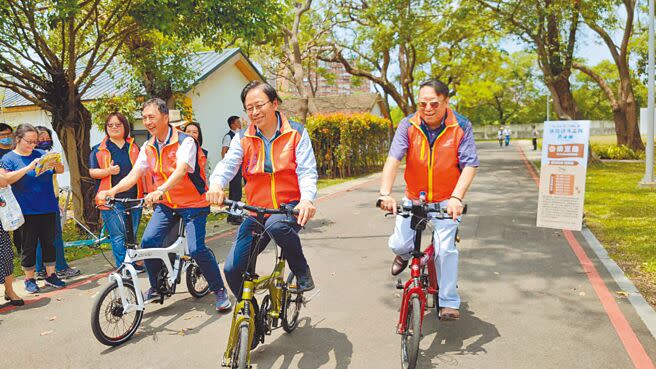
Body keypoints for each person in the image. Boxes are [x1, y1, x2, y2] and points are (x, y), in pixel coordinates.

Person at [97, 98, 231, 311]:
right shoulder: (148, 146)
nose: (148, 122)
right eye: (144, 118)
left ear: (165, 117)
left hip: (193, 204)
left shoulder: (185, 141)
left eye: (152, 117)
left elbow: (180, 170)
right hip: (168, 205)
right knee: (149, 242)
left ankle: (219, 289)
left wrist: (160, 190)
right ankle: (157, 286)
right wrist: (112, 191)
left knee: (196, 249)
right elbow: (135, 174)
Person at [377, 79, 479, 321]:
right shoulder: (408, 124)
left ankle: (448, 302)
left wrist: (456, 197)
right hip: (414, 198)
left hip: (446, 200)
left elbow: (469, 165)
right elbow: (394, 159)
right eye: (423, 104)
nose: (428, 108)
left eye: (434, 103)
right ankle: (402, 256)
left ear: (446, 101)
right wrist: (385, 193)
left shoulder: (461, 126)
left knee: (446, 251)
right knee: (401, 244)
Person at [207, 81, 317, 296]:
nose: (254, 112)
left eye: (259, 105)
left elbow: (307, 171)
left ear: (274, 103)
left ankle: (301, 270)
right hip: (257, 210)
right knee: (232, 269)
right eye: (249, 109)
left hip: (288, 208)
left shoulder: (296, 133)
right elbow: (228, 165)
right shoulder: (242, 138)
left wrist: (306, 199)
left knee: (277, 226)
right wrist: (216, 184)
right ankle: (250, 315)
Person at [0, 124, 66, 293]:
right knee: (28, 246)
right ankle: (29, 278)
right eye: (29, 141)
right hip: (25, 210)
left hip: (48, 206)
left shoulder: (41, 154)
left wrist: (56, 163)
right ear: (18, 139)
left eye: (35, 141)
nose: (32, 145)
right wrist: (28, 168)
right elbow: (6, 179)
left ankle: (51, 275)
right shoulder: (9, 158)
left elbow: (60, 170)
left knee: (49, 243)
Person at [89, 113, 144, 269]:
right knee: (118, 235)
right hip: (110, 201)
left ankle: (133, 262)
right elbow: (92, 172)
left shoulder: (134, 147)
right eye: (110, 125)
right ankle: (123, 266)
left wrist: (146, 194)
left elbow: (143, 172)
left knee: (132, 233)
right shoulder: (98, 150)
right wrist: (108, 171)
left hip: (134, 197)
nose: (114, 128)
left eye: (118, 125)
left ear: (125, 127)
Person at [32, 126, 81, 280]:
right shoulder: (39, 158)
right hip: (45, 200)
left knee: (40, 237)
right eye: (41, 139)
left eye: (47, 138)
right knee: (54, 236)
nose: (45, 141)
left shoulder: (44, 156)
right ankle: (60, 267)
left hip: (46, 199)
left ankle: (40, 270)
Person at [221, 116, 244, 225]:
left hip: (239, 168)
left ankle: (233, 215)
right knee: (235, 192)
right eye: (238, 122)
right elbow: (224, 151)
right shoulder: (228, 136)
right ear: (233, 125)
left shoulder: (239, 135)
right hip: (233, 168)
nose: (240, 123)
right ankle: (234, 216)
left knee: (237, 192)